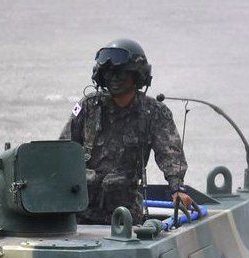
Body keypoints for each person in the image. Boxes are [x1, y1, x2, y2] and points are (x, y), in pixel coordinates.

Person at [59, 39, 196, 225]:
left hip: (125, 215)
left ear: (137, 76)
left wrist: (177, 188)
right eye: (109, 73)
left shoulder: (153, 113)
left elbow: (170, 154)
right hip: (80, 212)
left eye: (121, 73)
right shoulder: (88, 106)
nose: (114, 78)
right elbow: (63, 150)